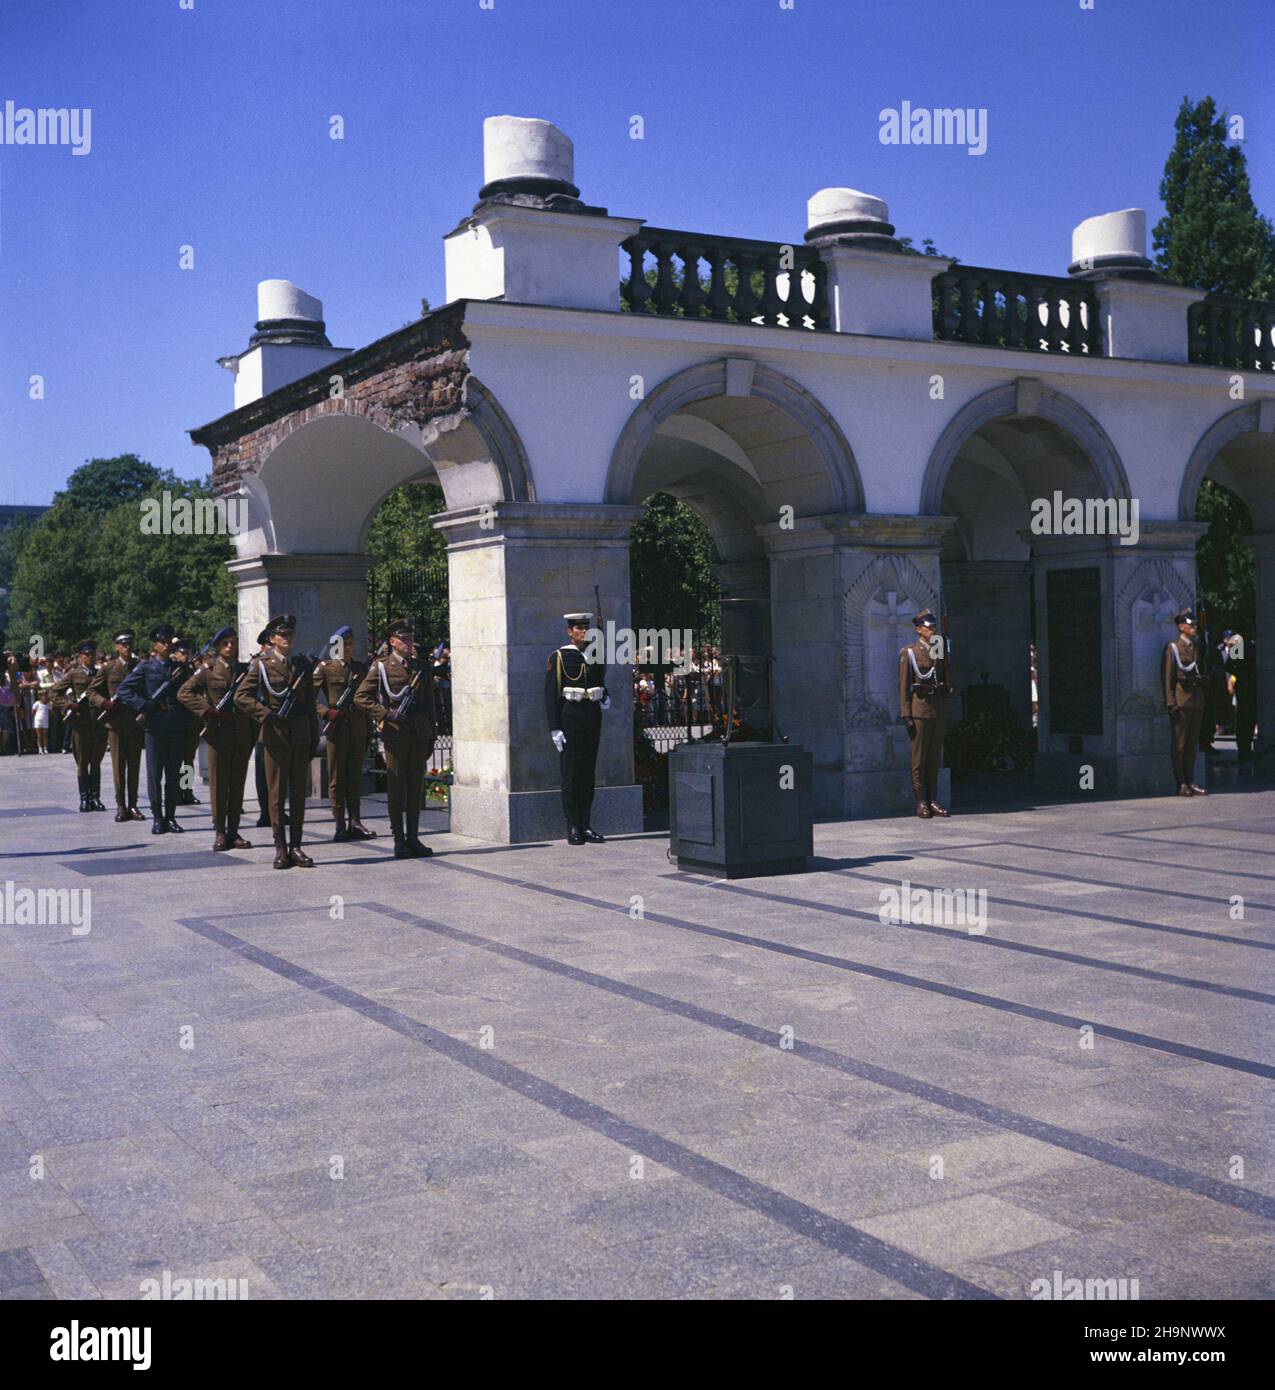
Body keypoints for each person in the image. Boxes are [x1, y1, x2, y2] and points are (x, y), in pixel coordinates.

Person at [236, 614, 318, 869]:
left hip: (300, 735)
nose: (287, 638)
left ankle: (297, 846)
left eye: (290, 634)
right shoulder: (261, 665)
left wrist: (313, 737)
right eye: (282, 635)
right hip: (275, 736)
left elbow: (309, 706)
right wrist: (266, 715)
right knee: (276, 794)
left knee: (298, 795)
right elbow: (242, 697)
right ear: (271, 639)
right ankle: (280, 847)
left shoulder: (301, 664)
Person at [355, 619, 435, 859]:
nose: (408, 642)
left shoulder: (420, 666)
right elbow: (361, 697)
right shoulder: (382, 667)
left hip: (419, 732)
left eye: (410, 638)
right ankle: (398, 839)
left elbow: (430, 703)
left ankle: (413, 837)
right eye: (403, 639)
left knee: (415, 787)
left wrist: (432, 732)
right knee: (397, 786)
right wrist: (386, 714)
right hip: (396, 733)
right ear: (392, 642)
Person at [178, 626, 254, 851]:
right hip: (218, 734)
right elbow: (184, 693)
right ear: (218, 647)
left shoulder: (244, 669)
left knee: (237, 785)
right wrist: (208, 711)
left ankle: (234, 830)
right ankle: (219, 830)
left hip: (240, 733)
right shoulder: (208, 669)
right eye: (225, 643)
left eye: (233, 642)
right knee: (218, 785)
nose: (230, 646)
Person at [116, 624, 193, 833]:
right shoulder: (146, 667)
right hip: (155, 728)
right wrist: (143, 705)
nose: (167, 645)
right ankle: (157, 818)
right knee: (154, 776)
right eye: (163, 641)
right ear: (155, 645)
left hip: (176, 726)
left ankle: (171, 817)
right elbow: (123, 690)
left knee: (173, 776)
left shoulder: (179, 668)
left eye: (169, 641)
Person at [544, 611, 611, 845]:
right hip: (570, 719)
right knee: (571, 774)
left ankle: (586, 824)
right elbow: (550, 694)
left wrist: (605, 696)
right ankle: (572, 826)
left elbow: (599, 681)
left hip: (591, 717)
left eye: (586, 627)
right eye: (578, 628)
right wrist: (554, 727)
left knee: (587, 774)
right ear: (569, 631)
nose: (583, 631)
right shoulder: (560, 657)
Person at [313, 625, 376, 842]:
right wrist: (326, 712)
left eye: (350, 644)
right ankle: (340, 823)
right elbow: (308, 699)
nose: (348, 648)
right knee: (337, 778)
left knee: (355, 777)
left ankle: (355, 821)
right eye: (344, 644)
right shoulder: (326, 668)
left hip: (357, 727)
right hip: (337, 729)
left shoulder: (360, 668)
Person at [88, 629, 145, 821]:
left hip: (135, 722)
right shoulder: (108, 668)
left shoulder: (140, 666)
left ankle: (133, 805)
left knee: (134, 765)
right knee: (119, 766)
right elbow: (91, 691)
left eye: (129, 644)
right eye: (123, 644)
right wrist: (104, 703)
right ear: (117, 647)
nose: (127, 647)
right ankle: (121, 805)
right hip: (116, 723)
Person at [899, 609, 950, 819]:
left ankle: (933, 799)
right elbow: (903, 686)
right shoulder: (909, 653)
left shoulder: (938, 647)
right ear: (918, 629)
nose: (933, 630)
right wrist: (906, 715)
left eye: (934, 627)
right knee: (919, 759)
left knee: (934, 758)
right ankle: (920, 801)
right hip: (919, 710)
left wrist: (944, 641)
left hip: (937, 709)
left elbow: (943, 673)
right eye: (929, 627)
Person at [51, 640, 108, 810]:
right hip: (81, 723)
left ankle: (96, 798)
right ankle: (84, 799)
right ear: (80, 656)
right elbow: (54, 693)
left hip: (98, 722)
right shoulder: (74, 674)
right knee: (82, 762)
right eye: (86, 655)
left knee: (96, 761)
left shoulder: (100, 674)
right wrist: (69, 705)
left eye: (92, 654)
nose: (90, 657)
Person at [1162, 606, 1208, 796]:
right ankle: (1180, 782)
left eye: (1195, 624)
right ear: (1181, 627)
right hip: (1181, 701)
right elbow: (1167, 677)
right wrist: (1170, 702)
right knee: (1179, 745)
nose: (1195, 627)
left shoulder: (1196, 646)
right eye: (1191, 625)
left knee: (1192, 744)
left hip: (1196, 700)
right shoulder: (1173, 647)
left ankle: (1190, 780)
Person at [32, 686, 50, 751]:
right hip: (38, 721)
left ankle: (45, 748)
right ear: (39, 696)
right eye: (42, 695)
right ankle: (40, 749)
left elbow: (50, 712)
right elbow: (33, 712)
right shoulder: (36, 703)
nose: (44, 697)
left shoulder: (48, 704)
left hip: (45, 721)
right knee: (39, 736)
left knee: (45, 735)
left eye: (45, 695)